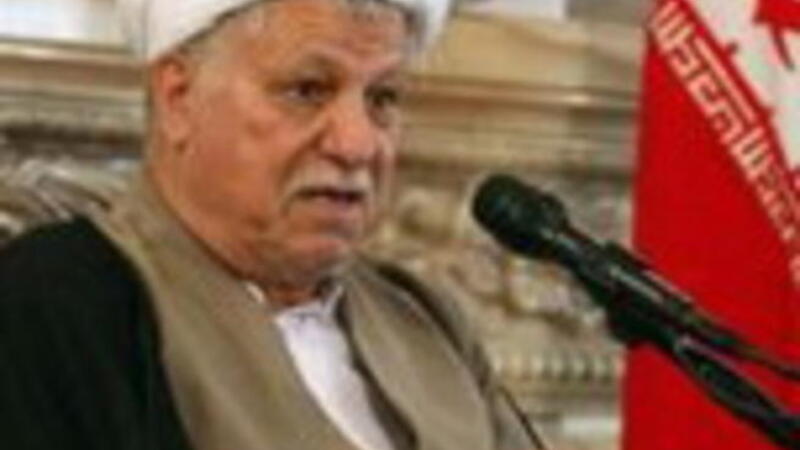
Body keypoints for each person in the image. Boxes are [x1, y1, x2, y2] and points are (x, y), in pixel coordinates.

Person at [0, 0, 545, 449]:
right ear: (178, 99)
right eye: (307, 90)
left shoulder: (424, 320)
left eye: (382, 98)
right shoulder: (57, 302)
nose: (357, 144)